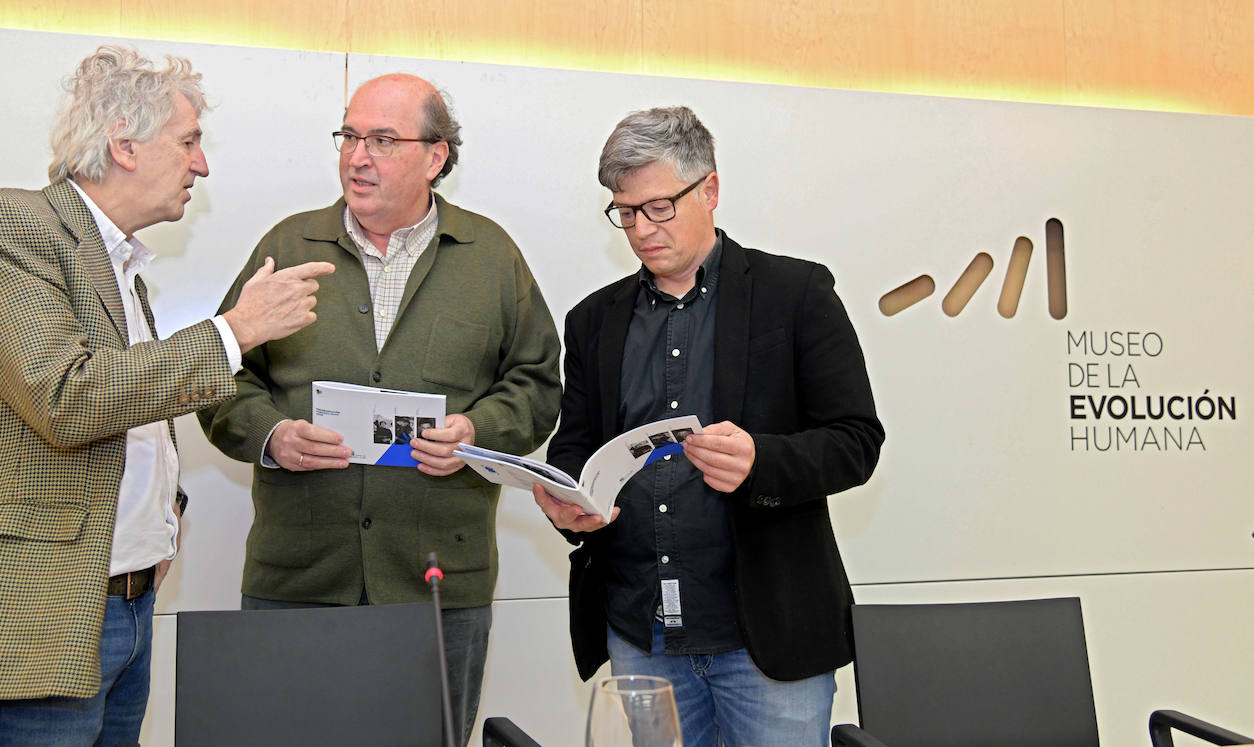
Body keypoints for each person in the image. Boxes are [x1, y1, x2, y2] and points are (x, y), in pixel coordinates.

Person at [0, 45, 334, 746]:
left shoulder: (122, 267)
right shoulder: (6, 227)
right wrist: (236, 330)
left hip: (124, 610)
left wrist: (161, 518)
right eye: (189, 142)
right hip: (38, 624)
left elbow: (136, 419)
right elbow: (66, 397)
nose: (201, 165)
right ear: (124, 145)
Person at [195, 73, 561, 746]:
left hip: (437, 584)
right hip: (297, 579)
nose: (357, 156)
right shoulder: (289, 246)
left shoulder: (493, 257)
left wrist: (478, 431)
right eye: (350, 135)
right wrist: (272, 435)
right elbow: (218, 374)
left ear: (436, 156)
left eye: (383, 140)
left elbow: (537, 384)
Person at [533, 106, 884, 747]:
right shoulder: (593, 320)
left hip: (767, 633)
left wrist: (761, 461)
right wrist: (567, 499)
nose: (641, 229)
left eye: (659, 207)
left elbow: (857, 440)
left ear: (711, 190)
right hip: (641, 630)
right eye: (625, 211)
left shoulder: (796, 294)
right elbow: (577, 444)